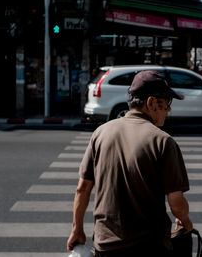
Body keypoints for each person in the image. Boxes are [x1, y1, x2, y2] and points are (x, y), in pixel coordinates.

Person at [67, 70, 193, 257]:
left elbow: (82, 188)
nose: (169, 109)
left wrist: (77, 229)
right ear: (150, 103)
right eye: (166, 103)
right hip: (148, 246)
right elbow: (176, 202)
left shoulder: (101, 133)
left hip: (105, 246)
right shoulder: (163, 141)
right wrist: (185, 221)